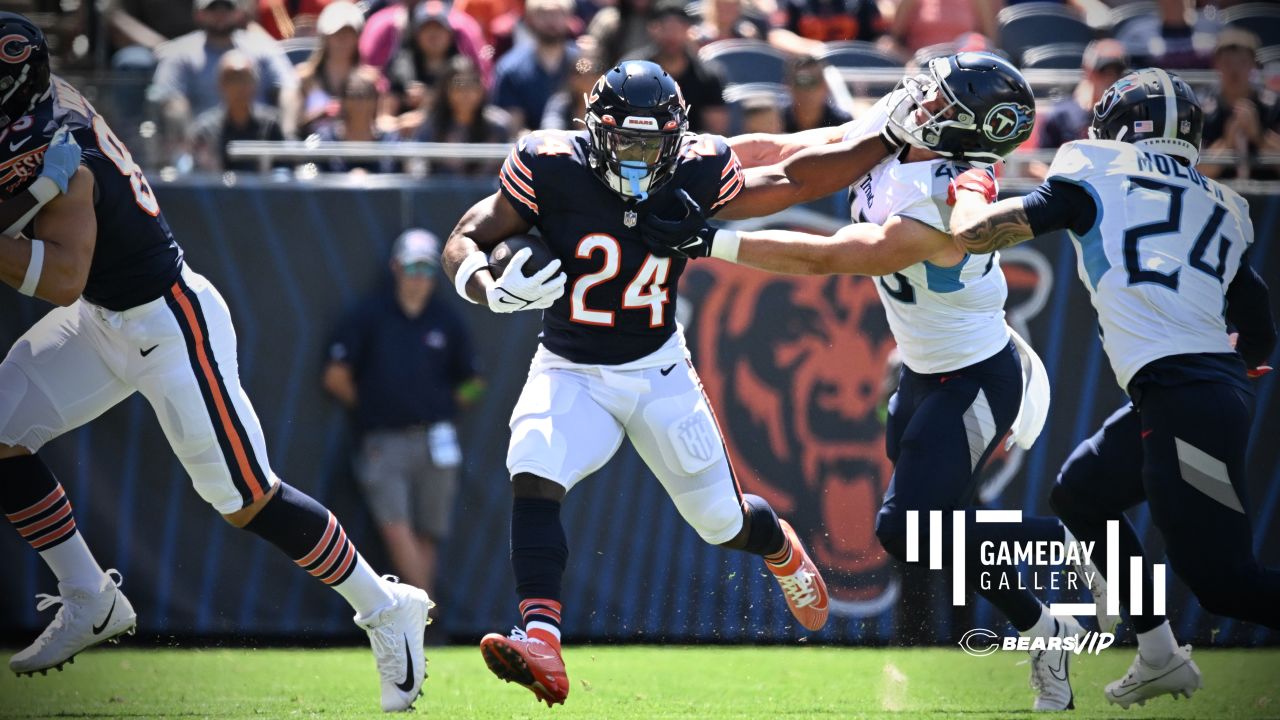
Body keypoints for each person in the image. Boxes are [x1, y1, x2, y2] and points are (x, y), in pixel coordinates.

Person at [0, 15, 429, 713]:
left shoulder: (61, 146)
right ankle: (88, 595)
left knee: (245, 499)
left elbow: (62, 276)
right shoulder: (42, 114)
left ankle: (385, 608)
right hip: (101, 322)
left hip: (168, 324)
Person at [641, 52, 1094, 712]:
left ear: (968, 129)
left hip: (974, 379)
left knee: (908, 528)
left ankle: (1071, 549)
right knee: (943, 528)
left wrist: (712, 243)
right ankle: (1046, 629)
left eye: (941, 104)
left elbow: (833, 256)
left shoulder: (953, 195)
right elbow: (797, 145)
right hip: (921, 373)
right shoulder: (903, 127)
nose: (922, 104)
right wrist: (688, 156)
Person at [440, 59, 895, 707]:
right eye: (624, 139)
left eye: (652, 142)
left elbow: (790, 178)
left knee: (719, 522)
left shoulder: (698, 167)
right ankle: (542, 636)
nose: (637, 156)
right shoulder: (548, 164)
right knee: (533, 463)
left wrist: (886, 139)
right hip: (572, 366)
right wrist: (485, 286)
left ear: (676, 138)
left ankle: (777, 545)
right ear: (595, 131)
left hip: (659, 371)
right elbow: (466, 235)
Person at [949, 66, 1278, 709]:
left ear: (1127, 124)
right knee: (1082, 491)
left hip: (1185, 393)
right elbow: (1260, 332)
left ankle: (1160, 646)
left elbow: (977, 231)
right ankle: (1158, 653)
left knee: (1225, 585)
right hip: (1194, 389)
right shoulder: (1222, 203)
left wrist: (968, 184)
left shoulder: (1097, 169)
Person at [324, 229, 482, 597]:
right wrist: (374, 407)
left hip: (437, 439)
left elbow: (475, 381)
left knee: (429, 531)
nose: (419, 277)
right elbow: (335, 376)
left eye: (427, 269)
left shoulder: (447, 319)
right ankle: (428, 612)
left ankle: (417, 621)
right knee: (395, 527)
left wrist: (444, 405)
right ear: (395, 267)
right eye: (412, 267)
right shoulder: (369, 315)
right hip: (383, 440)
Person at [151, 0, 300, 156]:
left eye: (227, 8)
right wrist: (189, 145)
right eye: (213, 9)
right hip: (204, 146)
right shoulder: (180, 52)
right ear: (199, 14)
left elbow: (289, 89)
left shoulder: (262, 46)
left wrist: (288, 136)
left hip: (261, 142)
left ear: (239, 13)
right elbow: (171, 99)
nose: (220, 15)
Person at [634, 0, 729, 135]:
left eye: (678, 27)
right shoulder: (633, 72)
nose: (671, 34)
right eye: (664, 27)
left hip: (693, 149)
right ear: (652, 29)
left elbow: (716, 130)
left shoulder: (708, 75)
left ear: (688, 29)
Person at [1199, 28, 1280, 181]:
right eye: (1227, 62)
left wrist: (1259, 137)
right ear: (1216, 65)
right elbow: (1199, 173)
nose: (1234, 70)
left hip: (1271, 198)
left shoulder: (1273, 106)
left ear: (1254, 65)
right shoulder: (1203, 109)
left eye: (1242, 62)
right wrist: (1227, 142)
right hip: (1218, 196)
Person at [414, 55, 512, 176]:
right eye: (458, 87)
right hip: (443, 193)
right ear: (446, 91)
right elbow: (417, 169)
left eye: (471, 86)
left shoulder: (498, 127)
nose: (466, 94)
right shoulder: (431, 128)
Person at [192, 51, 286, 172]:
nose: (239, 87)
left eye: (245, 79)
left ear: (255, 84)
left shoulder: (271, 125)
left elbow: (283, 170)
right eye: (232, 79)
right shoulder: (205, 129)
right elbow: (201, 174)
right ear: (220, 85)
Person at [491, 0, 579, 131]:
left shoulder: (583, 65)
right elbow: (514, 128)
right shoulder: (511, 68)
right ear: (529, 19)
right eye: (543, 14)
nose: (551, 21)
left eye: (557, 14)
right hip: (529, 147)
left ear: (569, 18)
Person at [289, 1, 373, 138]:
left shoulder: (369, 80)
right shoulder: (304, 77)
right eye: (336, 34)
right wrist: (321, 114)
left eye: (349, 33)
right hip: (314, 153)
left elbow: (378, 124)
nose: (343, 40)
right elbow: (292, 125)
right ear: (325, 37)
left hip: (353, 154)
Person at [312, 67, 401, 173]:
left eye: (366, 95)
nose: (360, 102)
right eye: (353, 95)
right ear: (343, 100)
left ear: (375, 101)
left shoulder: (390, 141)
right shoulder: (325, 139)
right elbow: (311, 177)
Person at [782, 55, 851, 134]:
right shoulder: (776, 120)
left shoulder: (843, 123)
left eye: (813, 82)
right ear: (787, 85)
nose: (806, 90)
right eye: (800, 82)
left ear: (825, 85)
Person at [540, 52, 600, 131]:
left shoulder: (610, 104)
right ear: (571, 78)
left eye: (594, 71)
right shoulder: (561, 102)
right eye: (580, 72)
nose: (587, 77)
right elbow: (551, 129)